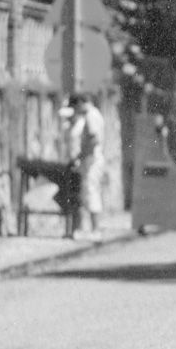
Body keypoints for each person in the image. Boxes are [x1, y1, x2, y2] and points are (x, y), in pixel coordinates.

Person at [70, 93, 106, 240]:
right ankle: (93, 229)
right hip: (91, 158)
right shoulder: (93, 114)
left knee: (91, 192)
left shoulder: (91, 115)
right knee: (89, 193)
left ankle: (96, 230)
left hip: (92, 160)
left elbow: (94, 138)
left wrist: (81, 155)